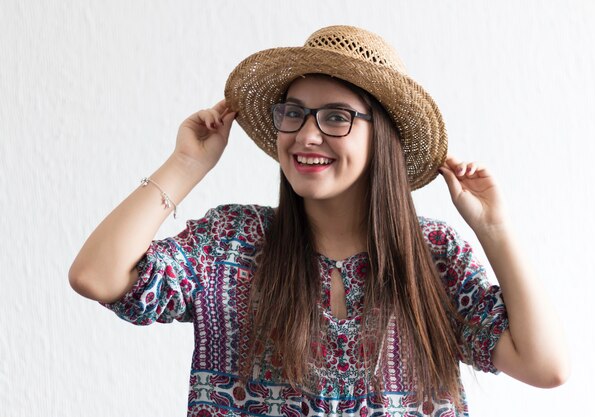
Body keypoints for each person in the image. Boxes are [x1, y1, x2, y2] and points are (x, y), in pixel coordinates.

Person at [69, 25, 569, 416]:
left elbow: (544, 366)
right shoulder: (231, 244)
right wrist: (186, 165)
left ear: (383, 137)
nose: (307, 135)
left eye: (335, 117)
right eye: (295, 113)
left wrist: (494, 230)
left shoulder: (433, 255)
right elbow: (97, 276)